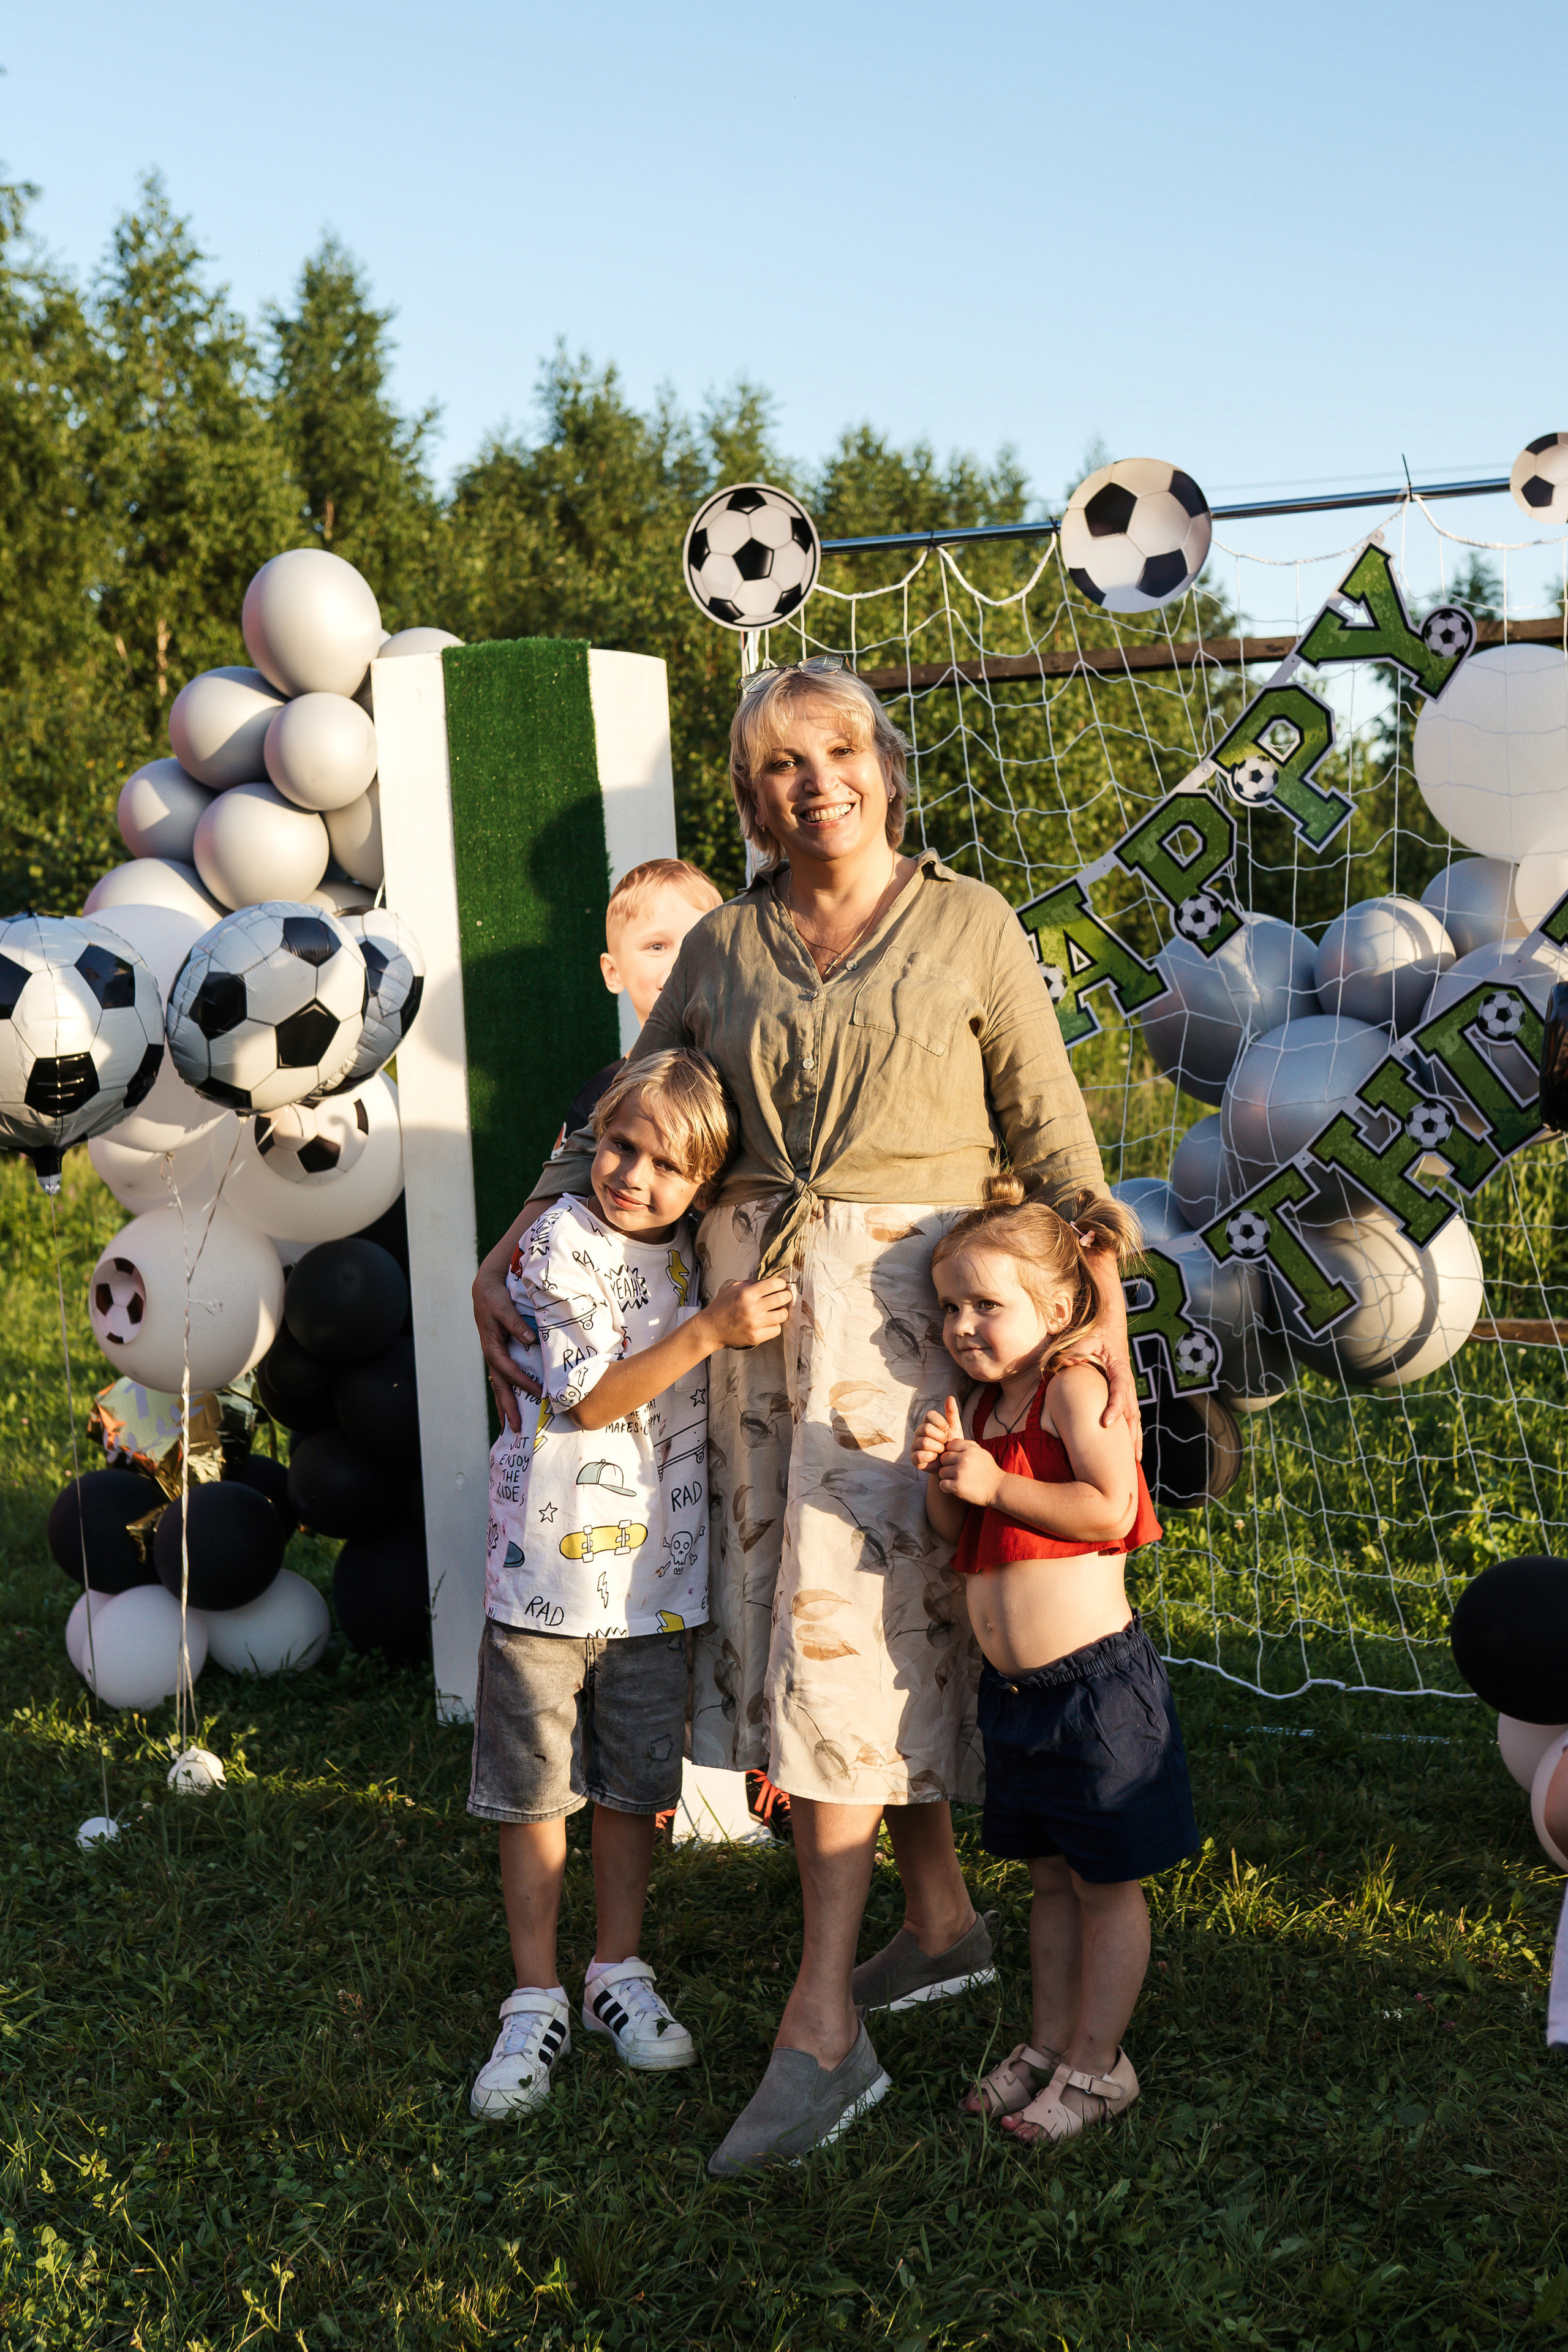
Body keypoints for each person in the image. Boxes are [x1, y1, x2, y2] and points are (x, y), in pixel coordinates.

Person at [472, 657, 1140, 2173]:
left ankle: (821, 2024)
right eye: (775, 765)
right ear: (748, 798)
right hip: (753, 1338)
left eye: (833, 751)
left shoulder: (968, 926)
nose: (809, 782)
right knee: (799, 1629)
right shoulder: (722, 940)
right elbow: (616, 1108)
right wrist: (512, 1234)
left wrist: (1095, 1314)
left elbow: (1051, 1139)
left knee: (849, 1646)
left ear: (882, 765)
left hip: (906, 1339)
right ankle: (939, 1919)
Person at [468, 1047, 791, 2120]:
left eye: (663, 1164)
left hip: (655, 1586)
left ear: (704, 1186)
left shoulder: (701, 1251)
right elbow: (592, 1402)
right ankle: (533, 1995)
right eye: (619, 1144)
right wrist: (711, 1330)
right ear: (591, 1135)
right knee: (537, 1793)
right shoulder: (557, 1243)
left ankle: (616, 1971)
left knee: (630, 1791)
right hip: (543, 1588)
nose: (632, 1175)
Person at [914, 1176, 1197, 2145]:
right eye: (949, 1306)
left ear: (1058, 1307)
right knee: (1045, 1881)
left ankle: (1100, 2064)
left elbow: (1107, 1513)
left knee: (1103, 1883)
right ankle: (1046, 2044)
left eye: (986, 1305)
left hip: (1093, 1690)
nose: (961, 1325)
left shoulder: (1077, 1383)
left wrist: (995, 1481)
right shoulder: (987, 1405)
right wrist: (951, 1476)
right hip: (1017, 1696)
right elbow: (957, 1527)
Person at [553, 858, 724, 1150]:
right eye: (657, 947)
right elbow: (563, 1193)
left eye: (699, 942)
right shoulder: (602, 1095)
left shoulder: (745, 1076)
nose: (679, 964)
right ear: (613, 973)